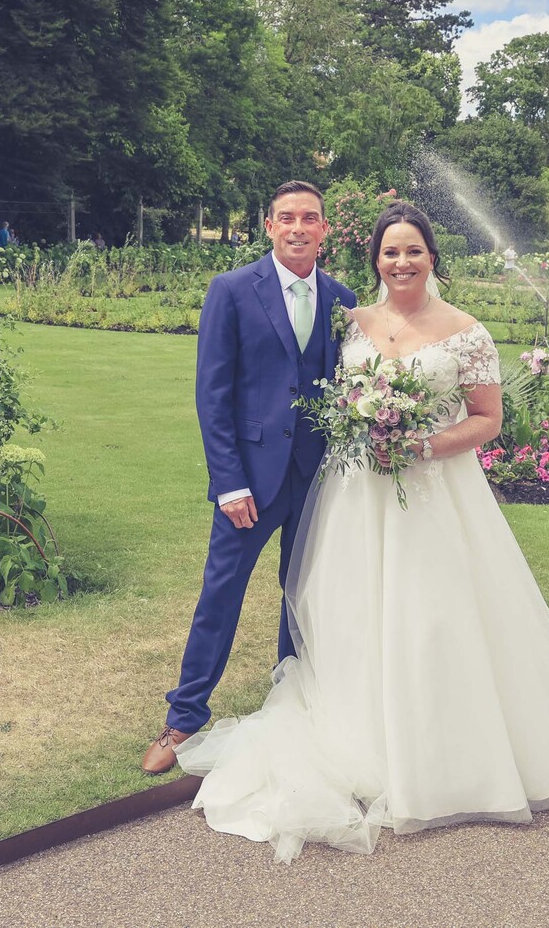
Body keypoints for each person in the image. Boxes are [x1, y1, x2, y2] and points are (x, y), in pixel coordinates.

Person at [176, 201, 549, 862]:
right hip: (355, 494)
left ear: (432, 255)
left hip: (434, 494)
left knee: (433, 615)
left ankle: (438, 749)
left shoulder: (468, 332)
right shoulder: (352, 318)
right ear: (375, 259)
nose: (402, 261)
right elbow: (296, 392)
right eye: (390, 252)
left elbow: (488, 418)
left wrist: (420, 444)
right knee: (346, 608)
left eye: (413, 250)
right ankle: (216, 713)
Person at [141, 181, 356, 775]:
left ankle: (295, 702)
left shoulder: (343, 298)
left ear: (324, 229)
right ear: (268, 225)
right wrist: (229, 481)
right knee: (221, 594)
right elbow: (213, 396)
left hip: (318, 477)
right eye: (286, 217)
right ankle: (184, 717)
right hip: (250, 483)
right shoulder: (232, 290)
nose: (297, 227)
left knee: (303, 595)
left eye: (309, 218)